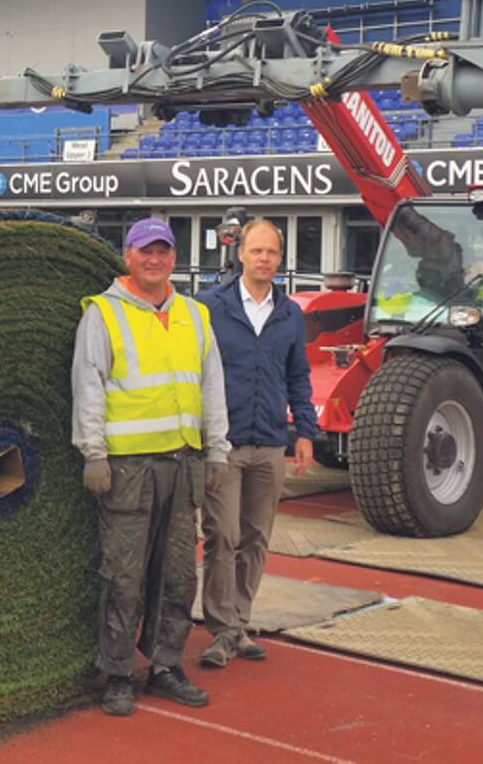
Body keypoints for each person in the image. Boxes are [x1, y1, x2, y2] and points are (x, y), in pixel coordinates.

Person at [72, 218, 230, 717]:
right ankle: (117, 673)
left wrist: (218, 450)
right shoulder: (103, 314)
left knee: (180, 576)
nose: (155, 259)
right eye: (145, 251)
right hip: (129, 469)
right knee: (123, 575)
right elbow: (89, 386)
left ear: (173, 257)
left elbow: (212, 387)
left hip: (185, 464)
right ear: (128, 257)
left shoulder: (195, 316)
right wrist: (92, 452)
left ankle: (165, 666)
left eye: (162, 250)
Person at [195, 218, 319, 668]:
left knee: (255, 538)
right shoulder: (209, 307)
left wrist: (305, 431)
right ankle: (221, 628)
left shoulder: (290, 314)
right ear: (241, 254)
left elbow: (298, 376)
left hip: (269, 442)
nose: (264, 259)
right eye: (256, 251)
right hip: (222, 445)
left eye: (272, 252)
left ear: (279, 259)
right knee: (221, 535)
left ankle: (240, 623)